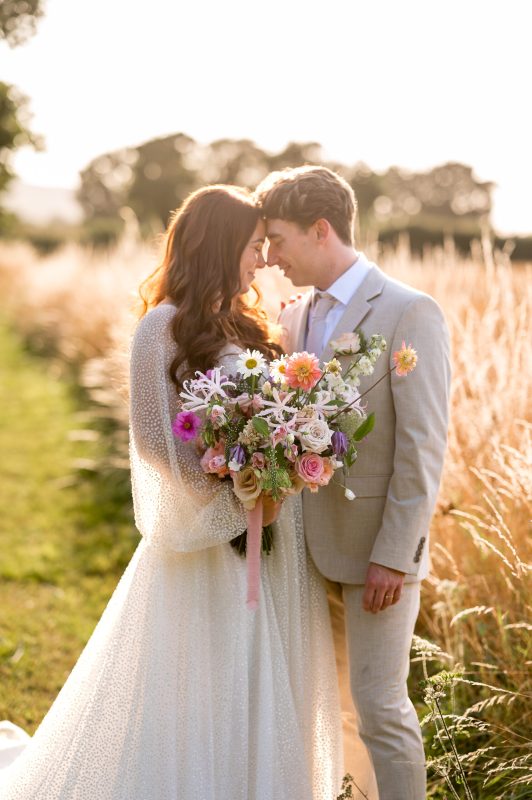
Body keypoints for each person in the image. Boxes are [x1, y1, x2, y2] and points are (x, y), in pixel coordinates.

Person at [0, 185, 343, 799]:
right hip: (207, 535)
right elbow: (157, 442)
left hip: (273, 530)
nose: (261, 259)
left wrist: (280, 468)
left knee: (263, 673)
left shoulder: (251, 323)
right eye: (252, 245)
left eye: (265, 245)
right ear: (219, 245)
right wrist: (232, 491)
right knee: (200, 682)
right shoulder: (161, 328)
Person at [255, 165, 451, 800]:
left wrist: (395, 557)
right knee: (319, 703)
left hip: (376, 556)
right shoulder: (295, 315)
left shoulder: (408, 311)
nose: (270, 256)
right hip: (301, 552)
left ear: (320, 230)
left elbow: (422, 447)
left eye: (278, 240)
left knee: (380, 707)